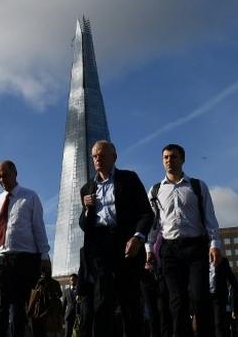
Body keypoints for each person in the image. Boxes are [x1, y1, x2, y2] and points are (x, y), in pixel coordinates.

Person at [145, 143, 221, 337]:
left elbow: (210, 218)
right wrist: (149, 250)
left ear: (183, 159)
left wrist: (214, 245)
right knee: (176, 301)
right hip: (169, 250)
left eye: (174, 157)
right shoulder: (155, 191)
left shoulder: (197, 186)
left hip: (195, 247)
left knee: (199, 297)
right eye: (166, 157)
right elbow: (153, 225)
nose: (169, 160)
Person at [80, 140, 154, 337]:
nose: (97, 159)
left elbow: (146, 213)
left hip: (126, 246)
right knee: (101, 303)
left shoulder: (129, 179)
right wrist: (87, 210)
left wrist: (138, 238)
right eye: (94, 156)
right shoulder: (87, 188)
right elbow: (84, 225)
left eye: (102, 155)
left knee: (130, 304)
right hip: (100, 250)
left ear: (114, 157)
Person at [0, 160, 51, 337]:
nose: (2, 180)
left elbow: (38, 227)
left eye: (4, 175)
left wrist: (44, 255)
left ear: (15, 173)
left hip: (26, 260)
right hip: (1, 260)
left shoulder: (30, 197)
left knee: (21, 309)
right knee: (1, 306)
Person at [210, 255, 238, 337]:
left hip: (219, 298)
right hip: (205, 297)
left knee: (219, 323)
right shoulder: (200, 261)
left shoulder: (223, 261)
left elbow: (231, 277)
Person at [29, 263, 64, 337]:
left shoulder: (39, 283)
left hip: (42, 310)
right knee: (51, 331)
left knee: (44, 330)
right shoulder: (54, 283)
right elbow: (60, 294)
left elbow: (34, 297)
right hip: (50, 310)